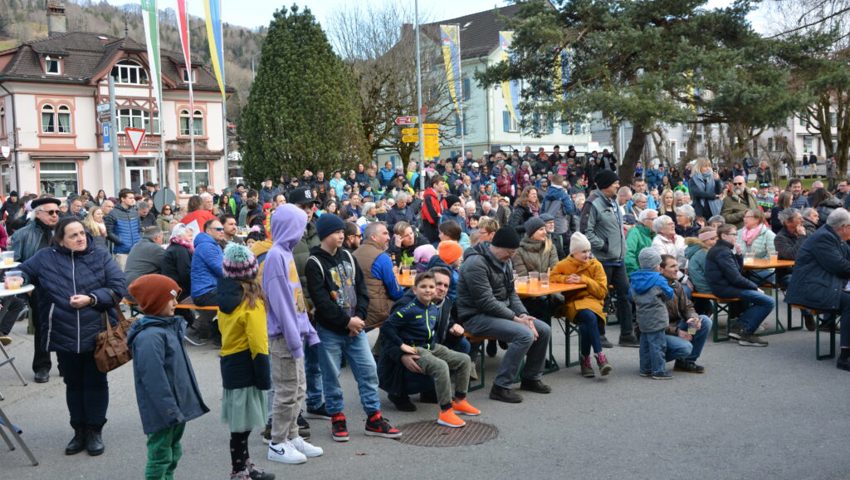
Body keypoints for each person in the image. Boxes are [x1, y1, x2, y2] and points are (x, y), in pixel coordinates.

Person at [19, 217, 127, 455]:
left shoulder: (99, 255)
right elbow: (23, 271)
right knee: (73, 384)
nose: (80, 238)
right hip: (62, 331)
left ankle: (94, 431)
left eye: (82, 233)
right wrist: (20, 279)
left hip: (97, 333)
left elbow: (119, 285)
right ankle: (78, 431)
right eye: (73, 235)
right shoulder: (45, 258)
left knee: (95, 383)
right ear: (60, 240)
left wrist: (92, 299)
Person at [304, 214, 402, 442]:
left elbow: (361, 289)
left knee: (368, 371)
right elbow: (321, 301)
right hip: (330, 330)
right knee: (331, 376)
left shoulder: (348, 255)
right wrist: (345, 322)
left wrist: (358, 318)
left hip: (356, 328)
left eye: (342, 232)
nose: (341, 236)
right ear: (325, 234)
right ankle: (337, 417)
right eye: (336, 232)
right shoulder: (314, 262)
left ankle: (374, 417)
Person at [126, 275, 209, 480]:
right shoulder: (150, 336)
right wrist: (169, 410)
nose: (176, 303)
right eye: (170, 299)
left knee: (173, 452)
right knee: (160, 457)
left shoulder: (167, 328)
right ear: (155, 302)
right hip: (163, 411)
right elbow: (153, 380)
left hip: (174, 408)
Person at [457, 226, 552, 403]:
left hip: (498, 314)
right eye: (509, 252)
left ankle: (530, 378)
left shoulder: (505, 261)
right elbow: (485, 302)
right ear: (496, 246)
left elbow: (512, 294)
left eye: (514, 253)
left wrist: (523, 315)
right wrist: (515, 319)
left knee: (544, 329)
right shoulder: (475, 263)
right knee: (524, 334)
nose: (512, 256)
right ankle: (501, 387)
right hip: (475, 317)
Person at [209, 244, 277, 479]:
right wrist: (264, 376)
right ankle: (238, 470)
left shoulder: (225, 296)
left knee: (240, 424)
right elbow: (259, 343)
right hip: (248, 364)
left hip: (230, 362)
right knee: (243, 426)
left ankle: (244, 464)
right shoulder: (252, 302)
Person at [262, 205, 323, 464]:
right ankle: (277, 443)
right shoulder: (276, 256)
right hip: (284, 337)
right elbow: (282, 304)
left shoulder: (285, 254)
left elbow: (296, 297)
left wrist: (308, 330)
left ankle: (293, 435)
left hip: (295, 334)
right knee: (287, 391)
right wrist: (295, 337)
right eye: (299, 226)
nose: (302, 232)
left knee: (299, 388)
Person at [381, 271, 480, 427]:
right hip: (414, 350)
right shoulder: (408, 307)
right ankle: (445, 413)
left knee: (464, 359)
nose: (431, 290)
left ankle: (460, 401)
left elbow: (436, 330)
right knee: (441, 366)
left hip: (431, 346)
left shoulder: (436, 306)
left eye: (434, 286)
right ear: (414, 289)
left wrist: (454, 329)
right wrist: (401, 348)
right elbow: (386, 328)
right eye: (424, 286)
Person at [786, 208, 850, 371]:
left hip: (826, 283)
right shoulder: (824, 238)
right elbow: (840, 267)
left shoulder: (834, 236)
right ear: (843, 227)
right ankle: (845, 356)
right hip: (811, 288)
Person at [581, 170, 638, 347]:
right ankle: (600, 334)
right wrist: (605, 246)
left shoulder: (614, 202)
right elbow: (585, 232)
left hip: (618, 259)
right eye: (615, 183)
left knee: (626, 296)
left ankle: (627, 335)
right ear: (606, 184)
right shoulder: (592, 203)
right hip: (602, 260)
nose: (617, 186)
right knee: (601, 298)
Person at [11, 197, 62, 383]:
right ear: (38, 213)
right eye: (51, 212)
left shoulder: (64, 232)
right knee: (42, 327)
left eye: (57, 212)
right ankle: (42, 366)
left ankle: (64, 363)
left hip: (65, 285)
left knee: (65, 324)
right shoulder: (22, 234)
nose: (55, 215)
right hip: (39, 288)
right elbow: (15, 264)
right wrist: (26, 287)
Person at [551, 232, 612, 377]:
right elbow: (552, 276)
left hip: (594, 301)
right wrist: (566, 279)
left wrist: (584, 280)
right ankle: (600, 356)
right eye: (583, 251)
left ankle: (586, 360)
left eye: (589, 251)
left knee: (588, 319)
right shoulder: (564, 264)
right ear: (574, 252)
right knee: (589, 318)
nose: (587, 254)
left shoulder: (596, 265)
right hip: (573, 303)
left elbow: (602, 292)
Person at [705, 224, 773, 346]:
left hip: (726, 286)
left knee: (762, 298)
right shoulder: (722, 251)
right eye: (734, 234)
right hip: (724, 288)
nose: (737, 237)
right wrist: (754, 287)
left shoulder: (724, 250)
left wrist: (739, 256)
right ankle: (744, 331)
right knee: (768, 301)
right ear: (724, 235)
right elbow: (736, 278)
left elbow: (737, 272)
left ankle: (740, 327)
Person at [659, 255, 711, 373]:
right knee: (685, 347)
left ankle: (686, 361)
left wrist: (693, 318)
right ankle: (653, 361)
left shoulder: (676, 285)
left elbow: (687, 307)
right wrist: (677, 332)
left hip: (676, 328)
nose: (677, 269)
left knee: (704, 321)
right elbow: (654, 323)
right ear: (661, 269)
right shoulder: (655, 288)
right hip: (660, 332)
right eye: (672, 266)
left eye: (677, 265)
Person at [629, 248, 675, 379]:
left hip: (642, 317)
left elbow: (630, 296)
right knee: (658, 345)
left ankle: (645, 368)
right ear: (656, 265)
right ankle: (658, 370)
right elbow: (669, 294)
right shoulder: (658, 279)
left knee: (644, 344)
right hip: (657, 317)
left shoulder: (634, 278)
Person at [352, 222, 405, 329]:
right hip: (377, 315)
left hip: (356, 313)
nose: (389, 238)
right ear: (374, 237)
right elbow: (396, 293)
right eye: (385, 234)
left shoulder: (353, 254)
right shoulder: (382, 257)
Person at [513, 217, 560, 321]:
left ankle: (546, 336)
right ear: (531, 232)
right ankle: (542, 335)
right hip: (528, 296)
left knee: (548, 302)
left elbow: (556, 271)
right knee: (541, 304)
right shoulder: (519, 251)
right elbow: (523, 277)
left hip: (549, 293)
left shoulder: (550, 246)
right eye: (541, 229)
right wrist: (544, 276)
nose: (545, 232)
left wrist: (539, 276)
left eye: (544, 229)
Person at [188, 219, 225, 344]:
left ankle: (210, 329)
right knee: (236, 298)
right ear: (208, 231)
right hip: (205, 293)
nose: (222, 232)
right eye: (218, 229)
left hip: (209, 289)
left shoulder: (213, 245)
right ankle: (220, 335)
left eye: (222, 229)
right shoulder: (207, 246)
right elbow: (222, 270)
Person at [105, 188, 142, 270]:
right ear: (122, 199)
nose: (133, 200)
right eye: (130, 198)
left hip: (136, 251)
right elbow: (108, 232)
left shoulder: (135, 212)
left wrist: (139, 241)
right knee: (123, 278)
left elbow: (139, 230)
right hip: (122, 253)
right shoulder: (113, 213)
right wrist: (120, 241)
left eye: (133, 198)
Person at [421, 176, 447, 243]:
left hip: (439, 230)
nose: (444, 186)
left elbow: (444, 212)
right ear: (435, 185)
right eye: (442, 184)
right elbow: (431, 217)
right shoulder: (428, 198)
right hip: (431, 233)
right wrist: (441, 218)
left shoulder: (440, 197)